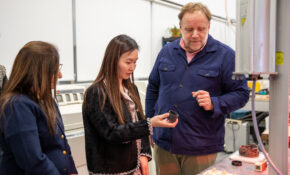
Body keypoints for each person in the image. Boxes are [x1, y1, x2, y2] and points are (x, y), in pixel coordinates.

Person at [145, 2, 250, 175]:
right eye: (188, 29)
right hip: (165, 143)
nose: (195, 35)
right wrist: (149, 124)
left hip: (200, 146)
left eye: (201, 29)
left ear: (209, 26)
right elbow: (153, 88)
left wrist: (214, 103)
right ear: (180, 27)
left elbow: (242, 93)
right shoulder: (166, 52)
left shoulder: (226, 56)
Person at [82, 34, 178, 175]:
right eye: (128, 62)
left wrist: (144, 155)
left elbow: (139, 122)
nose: (132, 67)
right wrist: (150, 123)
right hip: (110, 170)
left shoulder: (131, 89)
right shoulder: (97, 92)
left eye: (135, 62)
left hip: (133, 167)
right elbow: (112, 133)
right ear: (113, 60)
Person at [0, 41, 78, 175]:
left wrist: (72, 171)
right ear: (39, 70)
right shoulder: (17, 105)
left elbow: (63, 144)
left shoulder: (47, 100)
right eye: (55, 69)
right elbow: (33, 161)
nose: (60, 75)